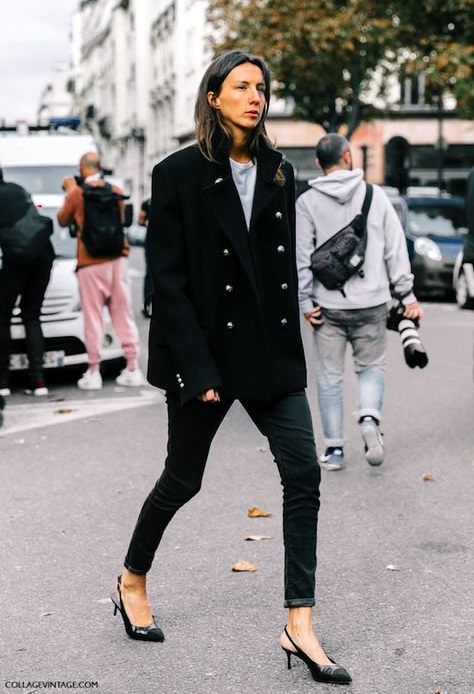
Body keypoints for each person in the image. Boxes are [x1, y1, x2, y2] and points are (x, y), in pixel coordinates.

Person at [111, 51, 351, 686]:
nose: (256, 96)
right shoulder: (178, 174)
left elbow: (277, 270)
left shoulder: (279, 171)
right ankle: (131, 577)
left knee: (303, 472)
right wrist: (196, 367)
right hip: (206, 356)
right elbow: (169, 280)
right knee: (183, 479)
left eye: (262, 88)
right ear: (213, 97)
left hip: (270, 357)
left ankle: (299, 622)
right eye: (242, 86)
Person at [296, 133, 422, 471]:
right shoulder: (375, 196)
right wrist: (406, 294)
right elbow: (395, 250)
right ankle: (369, 418)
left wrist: (306, 302)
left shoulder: (306, 202)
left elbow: (301, 257)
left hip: (327, 305)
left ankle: (334, 449)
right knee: (370, 368)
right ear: (348, 157)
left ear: (320, 164)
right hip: (372, 302)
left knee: (329, 376)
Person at [57, 153, 145, 390]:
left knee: (93, 316)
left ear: (83, 168)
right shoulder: (115, 190)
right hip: (117, 259)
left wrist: (70, 191)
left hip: (90, 262)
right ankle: (133, 368)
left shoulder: (77, 193)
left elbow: (62, 220)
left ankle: (93, 371)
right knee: (123, 314)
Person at [0, 167, 54, 397]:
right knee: (32, 315)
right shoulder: (18, 190)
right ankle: (38, 380)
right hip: (42, 255)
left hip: (15, 260)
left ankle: (2, 381)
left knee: (2, 316)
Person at [137, 197, 152, 316]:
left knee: (150, 272)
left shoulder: (147, 202)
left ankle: (148, 305)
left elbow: (140, 220)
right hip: (169, 238)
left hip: (152, 239)